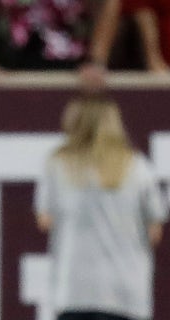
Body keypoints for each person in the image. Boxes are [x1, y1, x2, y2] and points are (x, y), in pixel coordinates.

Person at [34, 96, 168, 320]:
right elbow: (154, 231)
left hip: (75, 288)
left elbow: (45, 221)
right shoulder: (138, 166)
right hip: (127, 290)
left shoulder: (58, 165)